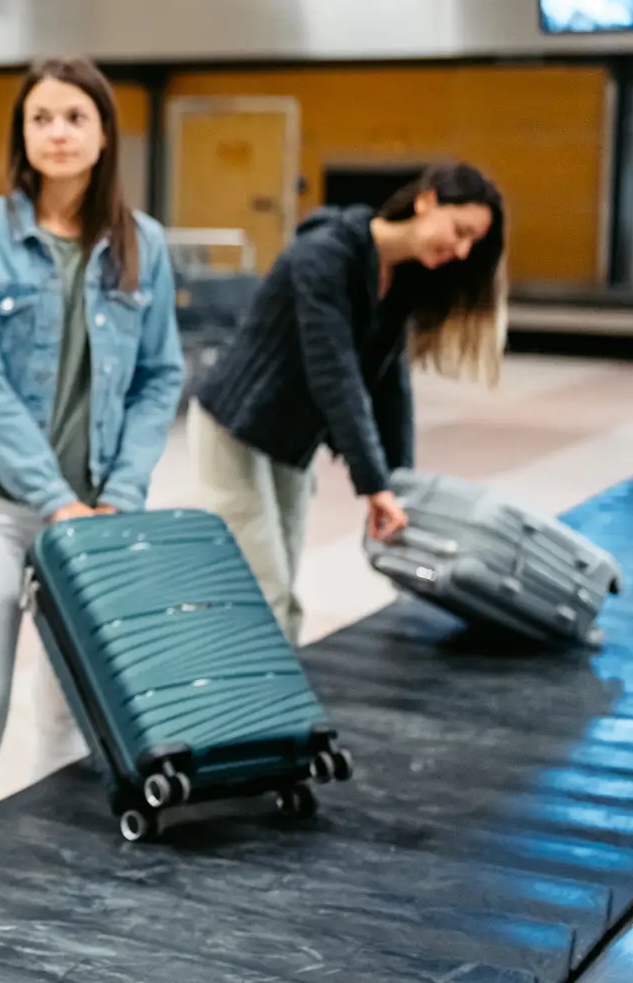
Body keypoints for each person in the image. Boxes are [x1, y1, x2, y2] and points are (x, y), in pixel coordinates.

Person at [0, 59, 185, 832]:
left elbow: (158, 377)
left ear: (104, 134)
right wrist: (54, 501)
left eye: (75, 116)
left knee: (68, 724)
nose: (58, 132)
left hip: (96, 520)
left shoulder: (144, 245)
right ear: (22, 135)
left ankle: (41, 902)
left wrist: (116, 499)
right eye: (41, 118)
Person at [190, 163, 507, 645]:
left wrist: (400, 484)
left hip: (287, 439)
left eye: (472, 244)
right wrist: (372, 483)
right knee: (265, 589)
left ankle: (274, 705)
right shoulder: (323, 255)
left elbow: (388, 385)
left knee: (284, 584)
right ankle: (255, 712)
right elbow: (333, 371)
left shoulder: (403, 277)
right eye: (460, 232)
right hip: (231, 428)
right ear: (426, 202)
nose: (461, 251)